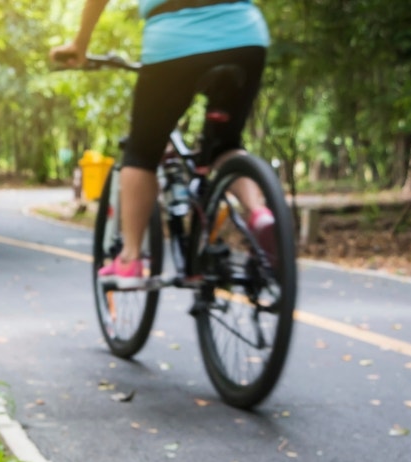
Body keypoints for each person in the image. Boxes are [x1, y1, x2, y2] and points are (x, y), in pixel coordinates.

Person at [50, 0, 274, 279]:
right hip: (244, 34)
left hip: (174, 40)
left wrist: (79, 45)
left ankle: (130, 257)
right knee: (226, 146)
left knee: (142, 153)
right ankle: (260, 213)